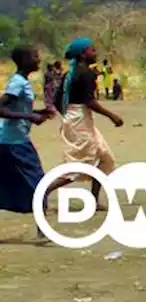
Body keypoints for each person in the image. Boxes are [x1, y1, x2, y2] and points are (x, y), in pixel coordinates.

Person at [45, 38, 123, 205]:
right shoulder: (86, 74)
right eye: (91, 50)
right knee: (78, 166)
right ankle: (45, 190)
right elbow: (90, 102)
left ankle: (94, 199)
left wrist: (68, 115)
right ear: (82, 54)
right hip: (80, 120)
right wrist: (112, 116)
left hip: (76, 118)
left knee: (106, 158)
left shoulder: (71, 74)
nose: (95, 52)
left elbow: (58, 99)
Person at [0, 46, 56, 218]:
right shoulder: (17, 82)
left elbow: (17, 109)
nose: (38, 59)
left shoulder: (22, 81)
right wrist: (30, 117)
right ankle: (43, 229)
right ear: (24, 60)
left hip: (11, 141)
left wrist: (37, 113)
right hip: (14, 143)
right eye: (34, 56)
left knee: (8, 184)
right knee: (39, 182)